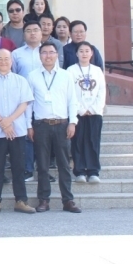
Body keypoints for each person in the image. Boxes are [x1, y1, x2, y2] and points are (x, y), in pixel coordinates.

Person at [26, 42, 82, 213]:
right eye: (44, 52)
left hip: (61, 124)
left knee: (64, 164)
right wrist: (28, 125)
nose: (48, 56)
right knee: (42, 165)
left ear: (57, 55)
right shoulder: (32, 76)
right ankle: (43, 200)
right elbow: (29, 103)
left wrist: (72, 122)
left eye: (51, 52)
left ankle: (68, 200)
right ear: (40, 56)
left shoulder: (66, 75)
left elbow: (72, 100)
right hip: (41, 125)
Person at [0, 49, 36, 215]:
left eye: (6, 59)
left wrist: (9, 120)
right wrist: (3, 123)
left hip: (17, 130)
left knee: (18, 167)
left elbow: (24, 104)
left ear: (11, 61)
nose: (3, 62)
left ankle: (21, 201)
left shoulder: (21, 81)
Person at [67, 41, 107, 184]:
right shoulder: (71, 71)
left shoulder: (97, 71)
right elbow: (70, 93)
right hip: (77, 113)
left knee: (93, 141)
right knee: (77, 142)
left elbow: (101, 91)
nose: (84, 54)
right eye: (81, 51)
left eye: (87, 51)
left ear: (92, 54)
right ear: (76, 54)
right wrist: (81, 109)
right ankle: (79, 172)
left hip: (95, 113)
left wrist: (93, 109)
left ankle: (93, 171)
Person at [12, 21, 45, 180]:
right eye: (29, 30)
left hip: (43, 99)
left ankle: (43, 169)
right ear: (24, 34)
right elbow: (13, 75)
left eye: (36, 30)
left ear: (41, 33)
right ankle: (28, 168)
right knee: (26, 133)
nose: (32, 33)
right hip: (23, 100)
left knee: (43, 134)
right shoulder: (16, 54)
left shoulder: (47, 52)